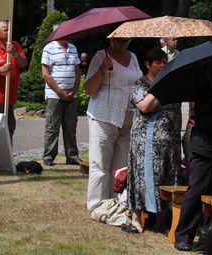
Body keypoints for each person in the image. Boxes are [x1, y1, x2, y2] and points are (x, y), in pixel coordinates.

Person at [174, 53, 212, 252]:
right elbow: (200, 119)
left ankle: (210, 235)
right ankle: (183, 235)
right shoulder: (206, 88)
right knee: (197, 191)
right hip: (206, 147)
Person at [126, 48, 181, 233]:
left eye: (165, 62)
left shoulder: (173, 84)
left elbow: (177, 111)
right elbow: (145, 106)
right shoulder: (140, 84)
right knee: (142, 177)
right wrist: (161, 86)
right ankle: (136, 218)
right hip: (145, 142)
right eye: (158, 62)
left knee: (166, 178)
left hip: (169, 141)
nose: (163, 65)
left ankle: (161, 221)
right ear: (148, 65)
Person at [84, 37, 141, 210]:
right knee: (100, 163)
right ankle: (97, 204)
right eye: (120, 40)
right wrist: (102, 69)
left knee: (122, 164)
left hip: (128, 117)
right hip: (103, 116)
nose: (124, 44)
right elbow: (89, 89)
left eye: (127, 41)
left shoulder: (134, 57)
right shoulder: (101, 56)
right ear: (111, 39)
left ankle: (118, 201)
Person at [41, 36, 81, 166]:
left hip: (71, 95)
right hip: (54, 95)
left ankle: (72, 156)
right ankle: (49, 156)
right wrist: (60, 92)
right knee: (52, 127)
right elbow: (45, 74)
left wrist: (74, 91)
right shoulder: (48, 48)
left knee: (71, 127)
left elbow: (77, 72)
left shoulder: (73, 48)